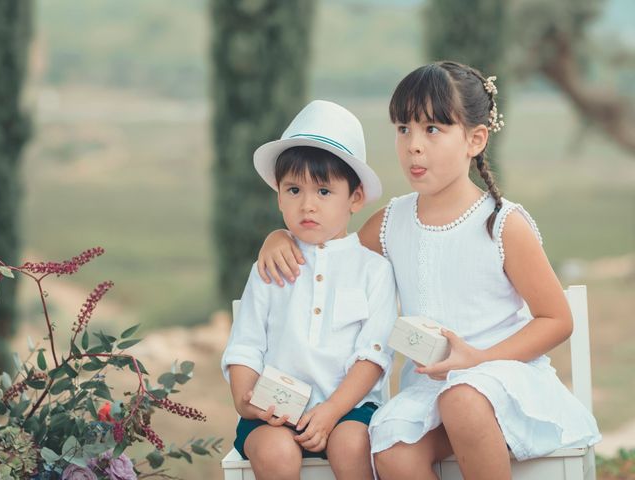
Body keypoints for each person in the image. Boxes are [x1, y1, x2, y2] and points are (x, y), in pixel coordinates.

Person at [255, 62, 601, 479]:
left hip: (503, 381)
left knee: (463, 400)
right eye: (403, 129)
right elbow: (329, 251)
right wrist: (281, 237)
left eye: (432, 129)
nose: (413, 145)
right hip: (431, 391)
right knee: (393, 447)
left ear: (474, 139)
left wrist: (479, 358)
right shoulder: (389, 223)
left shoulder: (503, 225)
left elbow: (557, 319)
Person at [221, 100, 398, 480]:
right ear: (278, 196)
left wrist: (333, 410)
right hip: (274, 410)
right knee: (276, 452)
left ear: (354, 198)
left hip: (348, 409)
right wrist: (245, 400)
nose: (307, 205)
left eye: (323, 191)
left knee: (351, 445)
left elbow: (374, 355)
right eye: (294, 189)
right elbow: (246, 343)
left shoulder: (373, 270)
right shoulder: (271, 265)